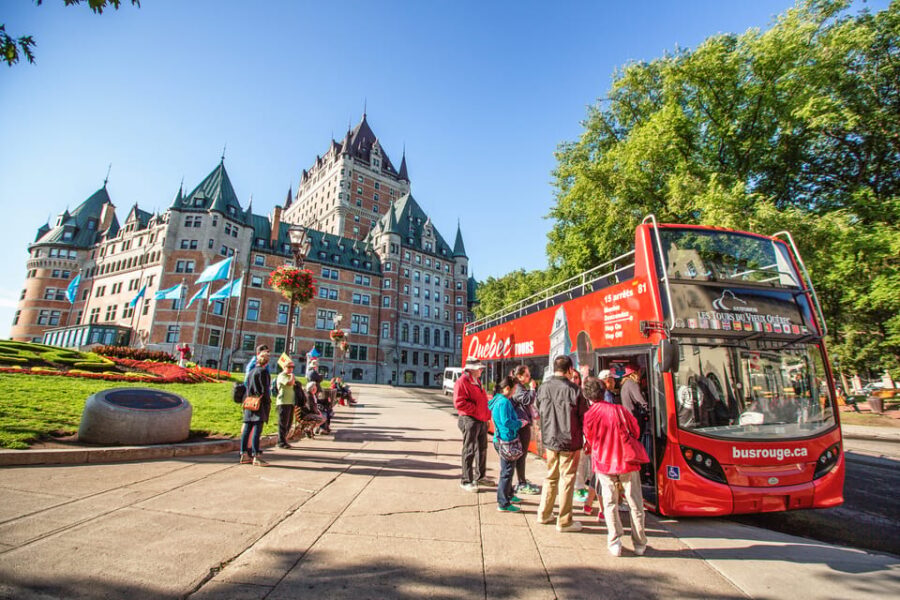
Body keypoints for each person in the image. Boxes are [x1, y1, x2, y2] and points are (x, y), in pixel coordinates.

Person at [583, 376, 650, 557]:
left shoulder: (589, 415)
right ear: (604, 392)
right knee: (635, 502)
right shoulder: (620, 410)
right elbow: (636, 431)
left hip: (604, 463)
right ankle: (639, 543)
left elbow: (589, 439)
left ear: (587, 397)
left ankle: (615, 541)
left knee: (610, 502)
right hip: (627, 461)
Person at [536, 355, 589, 533]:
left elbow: (538, 411)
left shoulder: (543, 388)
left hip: (550, 440)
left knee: (551, 477)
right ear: (570, 370)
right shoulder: (575, 390)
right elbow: (584, 417)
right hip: (569, 441)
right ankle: (564, 520)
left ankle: (544, 514)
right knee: (567, 479)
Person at [454, 357, 491, 492]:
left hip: (480, 420)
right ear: (471, 369)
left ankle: (480, 476)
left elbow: (482, 401)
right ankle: (466, 480)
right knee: (469, 450)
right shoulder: (462, 381)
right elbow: (459, 403)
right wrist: (476, 411)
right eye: (479, 368)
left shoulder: (476, 381)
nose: (481, 370)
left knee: (482, 449)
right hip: (469, 420)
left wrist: (486, 416)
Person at [490, 375, 525, 512]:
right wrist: (520, 423)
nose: (515, 392)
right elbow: (506, 422)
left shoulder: (497, 400)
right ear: (507, 389)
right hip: (506, 440)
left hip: (501, 439)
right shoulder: (504, 402)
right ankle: (503, 502)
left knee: (508, 469)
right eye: (515, 389)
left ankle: (509, 494)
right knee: (507, 472)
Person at [240, 345, 273, 466]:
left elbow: (247, 387)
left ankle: (244, 453)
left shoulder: (251, 371)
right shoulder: (263, 372)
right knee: (257, 430)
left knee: (247, 428)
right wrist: (267, 402)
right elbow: (265, 389)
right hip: (259, 403)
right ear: (267, 361)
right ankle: (256, 455)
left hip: (250, 401)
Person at [511, 365, 540, 495]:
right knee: (521, 454)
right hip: (521, 426)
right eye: (527, 375)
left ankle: (521, 480)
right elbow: (527, 399)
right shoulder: (517, 388)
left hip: (522, 423)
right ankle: (521, 483)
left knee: (522, 454)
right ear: (519, 376)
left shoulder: (519, 387)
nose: (529, 377)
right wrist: (533, 388)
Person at [275, 359, 297, 449]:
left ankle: (284, 440)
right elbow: (290, 383)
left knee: (289, 422)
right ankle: (281, 441)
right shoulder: (282, 375)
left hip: (290, 402)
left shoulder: (289, 375)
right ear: (284, 367)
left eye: (292, 367)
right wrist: (292, 376)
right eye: (289, 367)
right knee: (283, 423)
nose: (291, 369)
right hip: (283, 402)